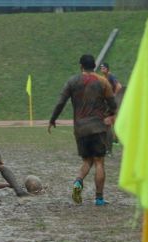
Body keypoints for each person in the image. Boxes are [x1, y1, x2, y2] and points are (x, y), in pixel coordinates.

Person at [49, 54, 117, 206]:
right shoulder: (102, 81)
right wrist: (109, 114)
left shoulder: (72, 81)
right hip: (98, 127)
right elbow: (113, 103)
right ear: (94, 66)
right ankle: (99, 198)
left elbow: (61, 102)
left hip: (80, 128)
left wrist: (53, 119)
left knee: (87, 160)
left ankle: (78, 182)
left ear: (81, 66)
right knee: (99, 161)